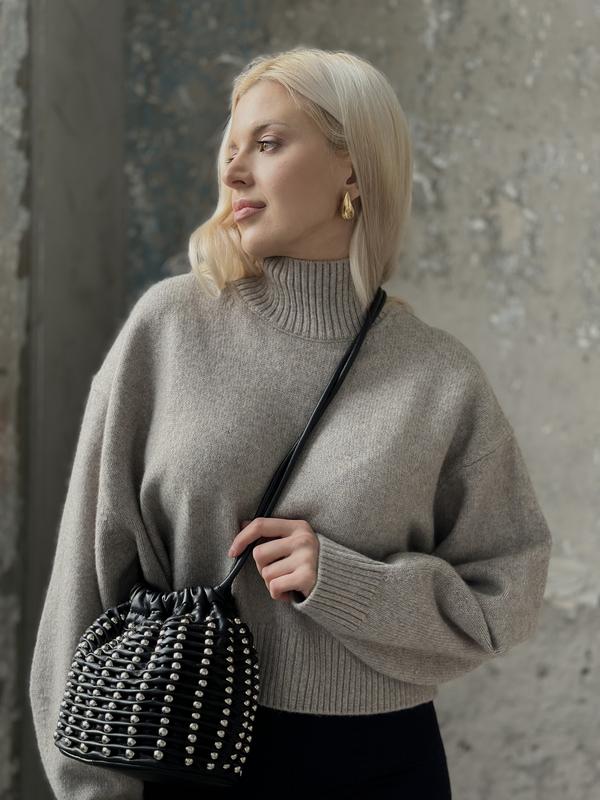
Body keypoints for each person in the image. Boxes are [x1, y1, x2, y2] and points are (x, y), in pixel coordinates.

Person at [29, 47, 552, 800]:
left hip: (380, 767)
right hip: (183, 752)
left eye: (269, 144)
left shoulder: (439, 377)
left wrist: (347, 584)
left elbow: (508, 593)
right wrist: (88, 790)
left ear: (353, 169)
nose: (234, 172)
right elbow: (85, 580)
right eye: (231, 149)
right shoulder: (169, 329)